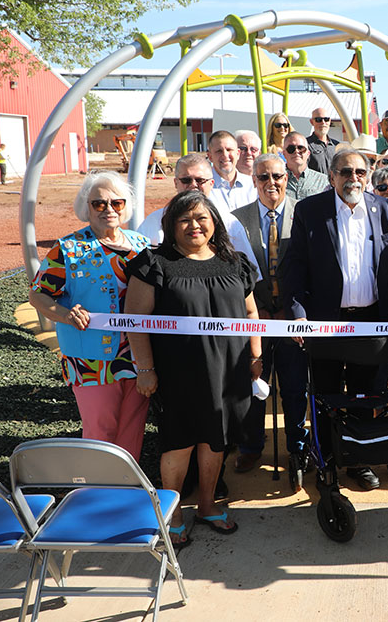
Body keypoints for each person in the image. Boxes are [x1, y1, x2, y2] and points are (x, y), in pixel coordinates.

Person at [125, 190, 262, 547]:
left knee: (215, 439)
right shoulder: (154, 263)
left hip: (229, 372)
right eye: (184, 219)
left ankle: (207, 505)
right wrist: (146, 369)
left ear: (214, 221)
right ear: (170, 225)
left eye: (201, 217)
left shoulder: (235, 263)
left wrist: (255, 356)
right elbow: (136, 321)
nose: (194, 225)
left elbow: (250, 314)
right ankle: (174, 513)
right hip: (177, 372)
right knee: (179, 442)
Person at [279, 149, 388, 491]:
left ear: (369, 176)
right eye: (346, 172)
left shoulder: (387, 210)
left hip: (371, 319)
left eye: (360, 172)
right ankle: (328, 462)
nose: (354, 178)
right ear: (333, 176)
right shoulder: (310, 211)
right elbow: (294, 267)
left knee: (365, 395)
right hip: (325, 321)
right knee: (326, 394)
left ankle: (359, 461)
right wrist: (297, 314)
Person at [28, 171, 150, 461]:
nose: (109, 210)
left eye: (116, 203)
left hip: (139, 356)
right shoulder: (66, 250)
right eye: (99, 204)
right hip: (91, 360)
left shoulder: (143, 246)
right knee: (100, 431)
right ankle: (95, 493)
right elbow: (38, 294)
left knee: (132, 430)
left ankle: (125, 491)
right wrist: (67, 313)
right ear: (86, 207)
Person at [231, 154, 311, 490]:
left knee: (295, 387)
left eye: (277, 175)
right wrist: (257, 309)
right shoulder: (236, 220)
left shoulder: (304, 214)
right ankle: (250, 446)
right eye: (263, 177)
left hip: (293, 318)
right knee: (254, 387)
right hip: (256, 319)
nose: (271, 183)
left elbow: (312, 268)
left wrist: (295, 310)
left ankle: (297, 447)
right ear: (254, 180)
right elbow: (233, 273)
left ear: (286, 177)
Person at [137, 153, 261, 279]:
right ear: (176, 183)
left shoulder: (229, 222)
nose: (193, 185)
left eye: (200, 180)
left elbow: (248, 276)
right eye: (186, 180)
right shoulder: (153, 222)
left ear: (211, 183)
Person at [208, 130, 257, 211]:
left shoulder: (253, 186)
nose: (225, 155)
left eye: (229, 150)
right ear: (210, 156)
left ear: (238, 154)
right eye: (219, 151)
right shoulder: (205, 187)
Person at [282, 132, 329, 200]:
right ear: (284, 154)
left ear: (308, 153)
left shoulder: (324, 181)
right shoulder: (277, 180)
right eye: (291, 149)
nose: (296, 151)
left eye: (301, 148)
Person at [306, 107, 339, 174]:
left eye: (326, 119)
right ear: (312, 122)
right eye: (318, 120)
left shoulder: (337, 146)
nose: (323, 122)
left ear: (329, 121)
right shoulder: (305, 145)